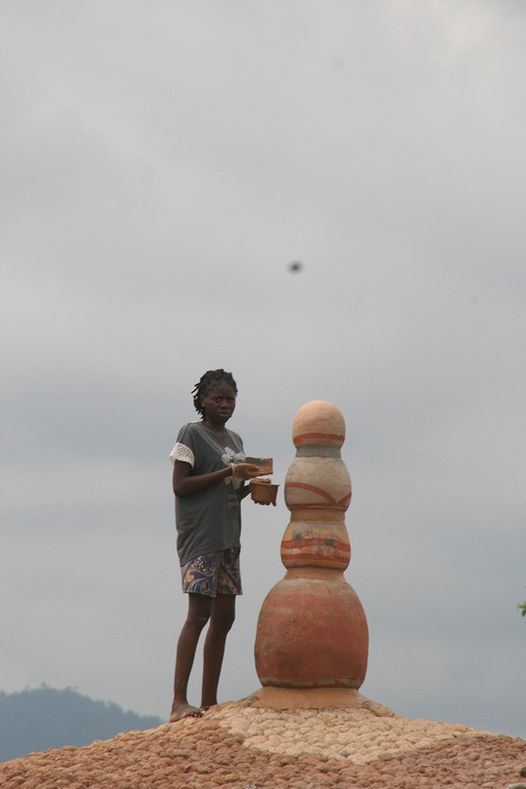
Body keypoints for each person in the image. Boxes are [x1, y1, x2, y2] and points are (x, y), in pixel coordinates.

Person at [168, 369, 263, 722]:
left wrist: (251, 489)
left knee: (225, 617)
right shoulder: (191, 433)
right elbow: (180, 485)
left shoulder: (234, 440)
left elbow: (230, 492)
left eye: (230, 400)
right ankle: (179, 701)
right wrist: (226, 474)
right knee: (199, 614)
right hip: (201, 537)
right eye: (217, 398)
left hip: (228, 539)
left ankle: (209, 701)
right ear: (202, 400)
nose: (224, 405)